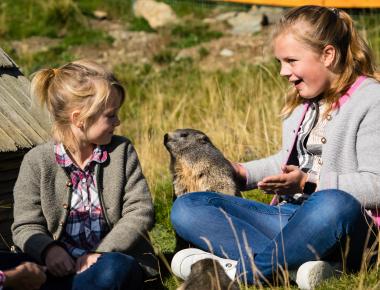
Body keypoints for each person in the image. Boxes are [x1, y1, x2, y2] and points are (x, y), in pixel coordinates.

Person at [170, 5, 380, 289]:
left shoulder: (372, 99)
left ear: (327, 55)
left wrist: (308, 184)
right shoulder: (303, 103)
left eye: (291, 61)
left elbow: (376, 184)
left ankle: (236, 274)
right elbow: (286, 162)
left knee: (333, 202)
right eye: (280, 62)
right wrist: (241, 172)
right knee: (188, 207)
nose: (283, 72)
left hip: (344, 226)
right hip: (289, 220)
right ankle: (299, 265)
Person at [11, 60, 157, 290]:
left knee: (115, 269)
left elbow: (140, 211)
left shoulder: (121, 151)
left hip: (109, 260)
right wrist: (49, 250)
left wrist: (100, 252)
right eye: (110, 115)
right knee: (10, 265)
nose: (118, 121)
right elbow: (25, 225)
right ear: (79, 118)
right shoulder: (36, 161)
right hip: (57, 266)